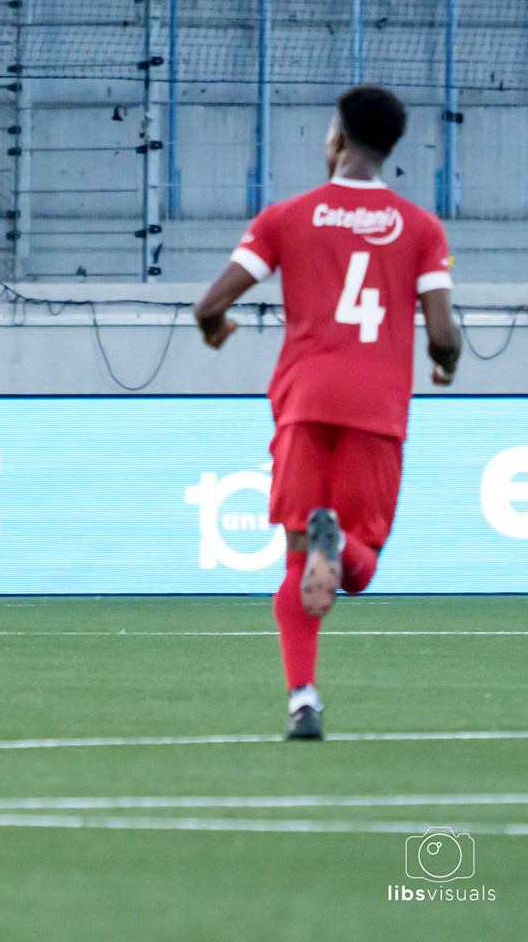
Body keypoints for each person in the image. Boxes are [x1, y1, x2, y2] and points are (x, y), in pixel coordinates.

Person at [194, 85, 461, 740]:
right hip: (377, 408)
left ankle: (303, 700)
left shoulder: (287, 217)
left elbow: (209, 304)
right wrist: (445, 365)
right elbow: (444, 333)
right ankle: (338, 548)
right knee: (359, 559)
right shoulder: (422, 229)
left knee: (294, 563)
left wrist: (215, 328)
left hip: (305, 401)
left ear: (337, 138)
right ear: (390, 147)